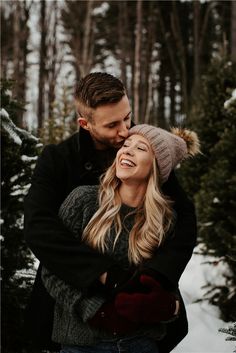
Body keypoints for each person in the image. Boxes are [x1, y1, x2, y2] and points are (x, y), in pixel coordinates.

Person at [24, 72, 197, 352]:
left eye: (127, 117)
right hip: (77, 312)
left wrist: (156, 278)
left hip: (140, 322)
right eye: (112, 125)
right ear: (85, 123)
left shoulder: (148, 150)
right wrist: (104, 275)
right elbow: (38, 228)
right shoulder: (58, 160)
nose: (125, 131)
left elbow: (183, 222)